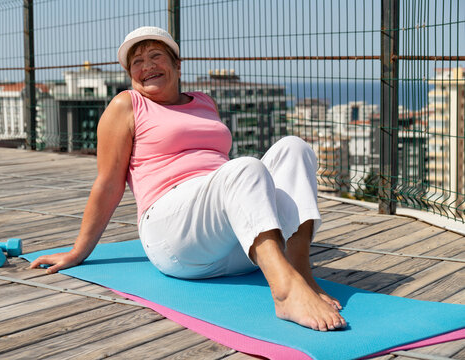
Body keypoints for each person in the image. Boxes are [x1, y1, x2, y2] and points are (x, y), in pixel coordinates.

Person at [30, 26, 346, 331]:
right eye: (137, 62)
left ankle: (300, 270)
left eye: (155, 56)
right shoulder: (127, 105)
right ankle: (286, 292)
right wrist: (78, 252)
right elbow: (108, 183)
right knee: (245, 167)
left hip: (236, 241)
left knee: (295, 148)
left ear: (177, 65)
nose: (147, 66)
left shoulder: (205, 101)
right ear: (131, 75)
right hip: (175, 237)